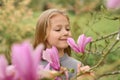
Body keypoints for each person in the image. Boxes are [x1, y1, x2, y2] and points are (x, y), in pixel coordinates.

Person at [33, 8, 94, 80]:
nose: (66, 33)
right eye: (58, 29)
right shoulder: (32, 66)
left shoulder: (76, 66)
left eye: (67, 29)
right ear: (43, 34)